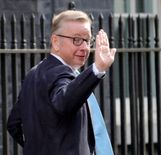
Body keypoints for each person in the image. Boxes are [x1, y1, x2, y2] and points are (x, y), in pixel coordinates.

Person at [7, 10, 116, 155]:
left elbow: (14, 124)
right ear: (56, 42)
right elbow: (64, 101)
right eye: (77, 39)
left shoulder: (33, 74)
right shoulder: (61, 73)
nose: (84, 47)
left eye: (88, 40)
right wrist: (97, 69)